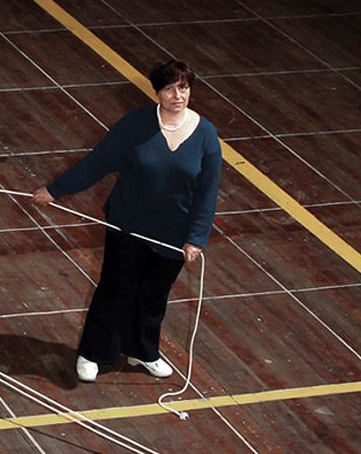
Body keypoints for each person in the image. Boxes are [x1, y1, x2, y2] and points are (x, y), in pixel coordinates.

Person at [32, 59, 222, 383]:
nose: (178, 95)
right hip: (128, 223)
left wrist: (196, 239)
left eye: (184, 88)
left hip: (173, 232)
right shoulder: (135, 125)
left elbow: (207, 193)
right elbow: (98, 162)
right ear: (157, 93)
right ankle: (92, 353)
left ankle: (143, 351)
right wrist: (56, 190)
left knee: (154, 295)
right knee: (114, 289)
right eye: (169, 89)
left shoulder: (206, 136)